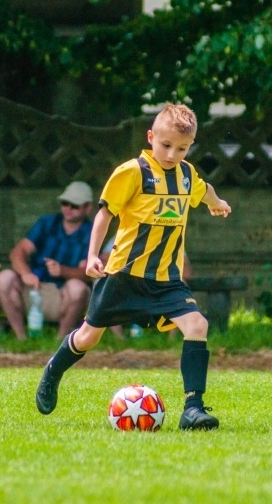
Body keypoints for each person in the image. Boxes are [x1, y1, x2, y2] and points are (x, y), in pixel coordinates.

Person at [35, 103, 232, 430]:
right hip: (124, 277)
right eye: (166, 145)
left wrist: (218, 203)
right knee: (87, 338)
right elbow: (104, 214)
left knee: (197, 325)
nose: (172, 154)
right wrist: (93, 254)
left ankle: (193, 409)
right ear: (151, 136)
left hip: (167, 279)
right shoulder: (132, 171)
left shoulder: (186, 174)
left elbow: (203, 190)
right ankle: (53, 371)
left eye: (182, 148)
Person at [0, 181, 95, 340]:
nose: (68, 209)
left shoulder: (93, 231)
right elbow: (18, 252)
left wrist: (63, 271)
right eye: (65, 203)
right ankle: (21, 337)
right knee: (4, 277)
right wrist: (25, 273)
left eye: (75, 205)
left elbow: (88, 273)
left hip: (63, 295)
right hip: (34, 287)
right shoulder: (47, 223)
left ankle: (61, 341)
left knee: (78, 288)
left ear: (88, 208)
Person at [101, 234, 194, 339]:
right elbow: (103, 264)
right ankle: (119, 340)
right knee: (107, 282)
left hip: (160, 283)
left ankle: (171, 340)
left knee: (181, 283)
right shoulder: (124, 234)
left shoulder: (170, 235)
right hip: (127, 283)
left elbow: (187, 272)